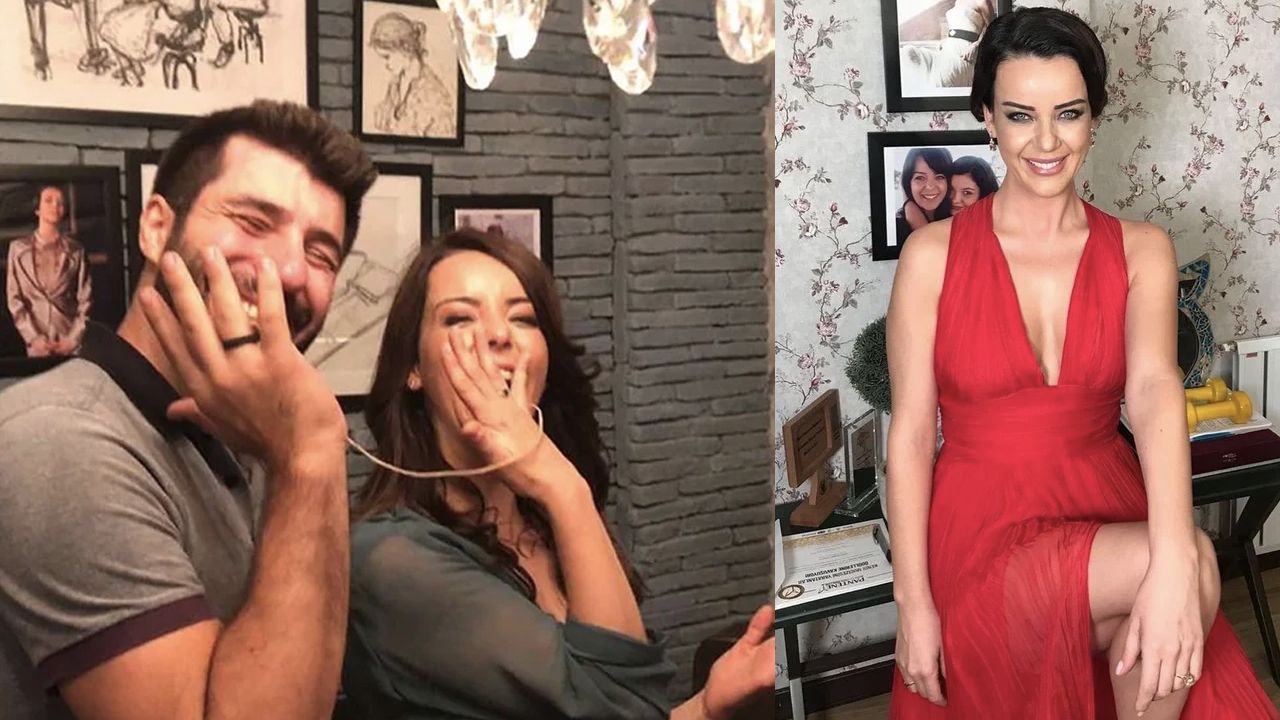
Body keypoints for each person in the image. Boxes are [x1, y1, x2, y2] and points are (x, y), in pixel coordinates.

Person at [885, 8, 1278, 720]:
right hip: (981, 532)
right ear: (987, 119)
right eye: (1020, 115)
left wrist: (1171, 556)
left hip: (1104, 502)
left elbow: (1154, 392)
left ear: (1093, 117)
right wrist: (912, 603)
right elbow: (911, 435)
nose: (1046, 141)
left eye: (1067, 114)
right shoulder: (930, 257)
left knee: (1174, 582)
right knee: (1186, 565)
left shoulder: (1142, 249)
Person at [0, 100, 377, 720]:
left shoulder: (245, 429)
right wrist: (311, 454)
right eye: (253, 221)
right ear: (156, 228)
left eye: (320, 254)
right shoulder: (57, 438)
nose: (289, 271)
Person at [341, 228, 775, 719]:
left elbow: (613, 707)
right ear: (413, 369)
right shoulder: (392, 560)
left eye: (523, 318)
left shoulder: (543, 523)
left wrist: (706, 708)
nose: (499, 334)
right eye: (460, 317)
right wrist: (563, 485)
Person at [6, 185, 93, 357]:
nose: (55, 206)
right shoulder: (18, 249)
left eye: (60, 202)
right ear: (37, 209)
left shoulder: (76, 251)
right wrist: (33, 338)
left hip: (69, 344)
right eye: (48, 201)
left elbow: (86, 300)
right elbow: (14, 300)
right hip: (36, 346)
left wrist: (73, 339)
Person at [368, 11, 457, 138]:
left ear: (405, 49)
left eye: (387, 57)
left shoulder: (433, 93)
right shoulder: (395, 83)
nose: (386, 65)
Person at [895, 147, 953, 248]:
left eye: (939, 177)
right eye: (920, 178)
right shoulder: (897, 228)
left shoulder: (957, 218)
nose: (930, 186)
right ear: (908, 183)